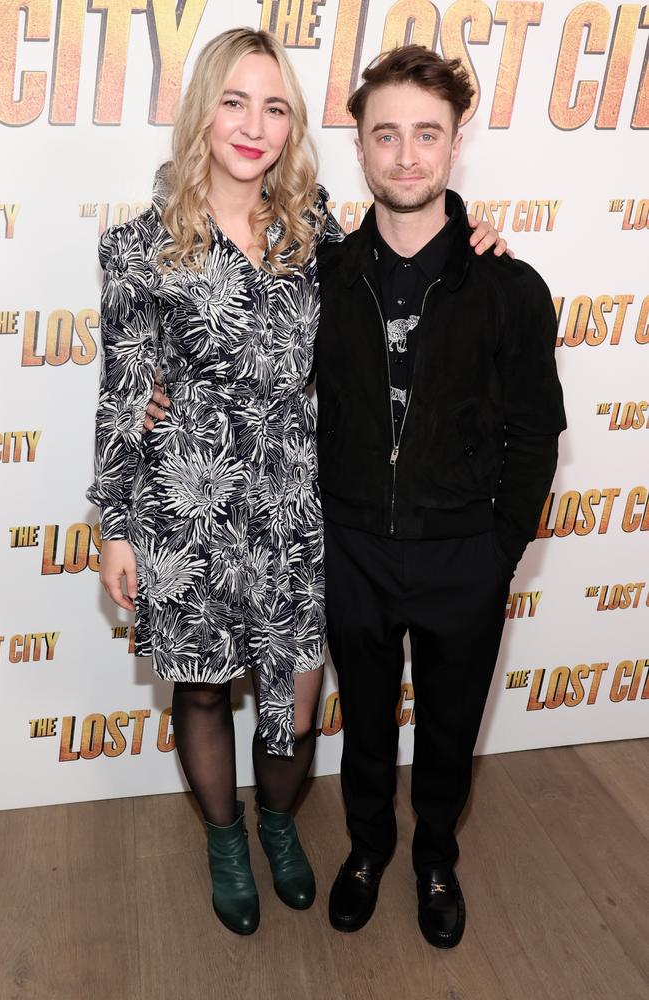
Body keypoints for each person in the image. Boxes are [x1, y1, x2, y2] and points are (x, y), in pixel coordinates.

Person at [92, 30, 504, 936]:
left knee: (295, 710)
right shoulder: (136, 247)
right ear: (203, 108)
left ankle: (281, 820)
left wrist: (477, 236)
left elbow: (406, 260)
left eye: (275, 107)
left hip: (292, 502)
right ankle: (228, 837)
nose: (254, 125)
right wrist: (116, 525)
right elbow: (122, 392)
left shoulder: (311, 225)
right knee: (201, 690)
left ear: (293, 126)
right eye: (235, 102)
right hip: (184, 503)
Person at [315, 47, 567, 948]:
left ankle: (433, 856)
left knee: (451, 728)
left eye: (428, 133)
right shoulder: (324, 281)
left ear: (455, 145)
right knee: (367, 723)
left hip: (464, 553)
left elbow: (535, 436)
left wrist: (497, 551)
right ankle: (367, 848)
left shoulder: (510, 287)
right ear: (361, 147)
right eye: (387, 134)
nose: (408, 154)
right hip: (353, 550)